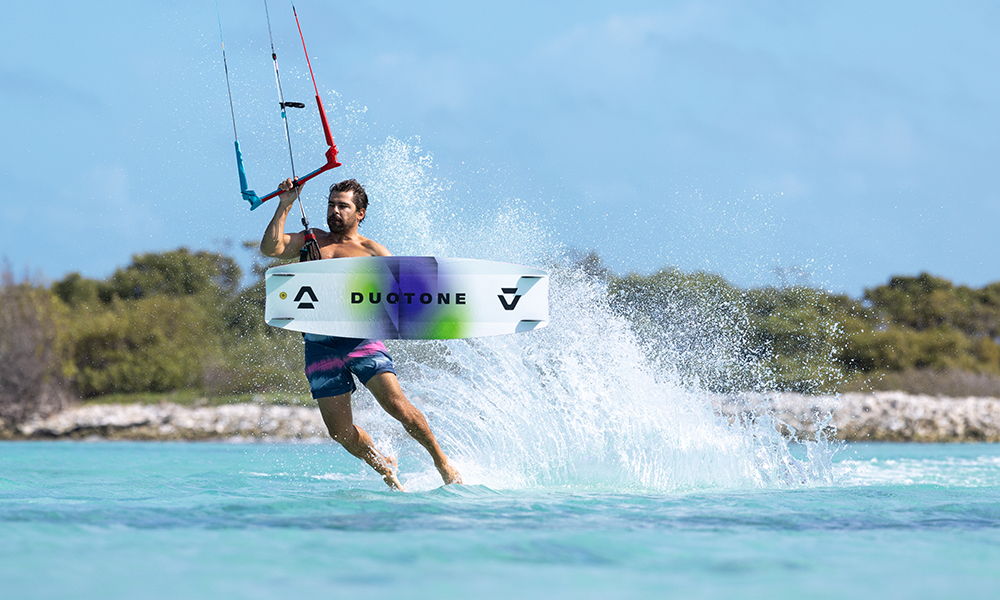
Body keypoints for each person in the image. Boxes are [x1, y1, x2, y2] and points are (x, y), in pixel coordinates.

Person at [260, 177, 462, 491]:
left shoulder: (373, 251)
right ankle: (383, 465)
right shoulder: (313, 240)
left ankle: (441, 461)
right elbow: (271, 248)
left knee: (398, 407)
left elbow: (401, 294)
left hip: (361, 341)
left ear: (360, 213)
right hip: (318, 346)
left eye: (343, 206)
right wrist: (285, 204)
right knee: (340, 432)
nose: (335, 212)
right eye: (331, 205)